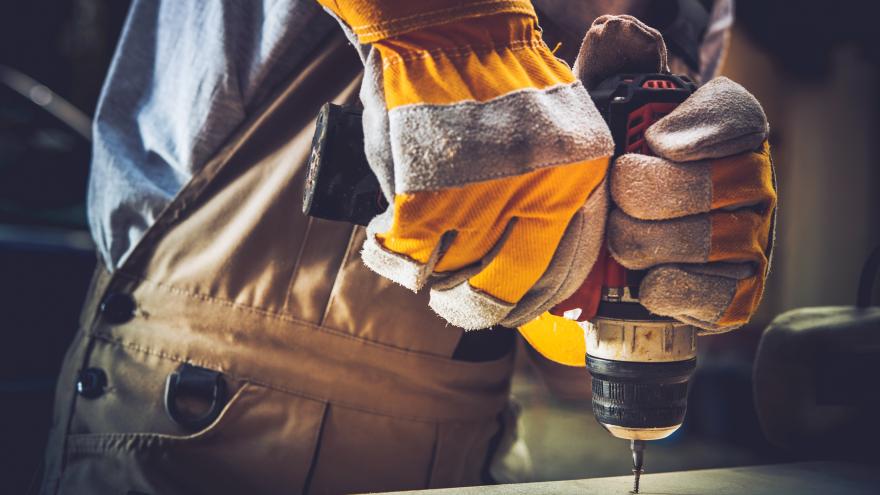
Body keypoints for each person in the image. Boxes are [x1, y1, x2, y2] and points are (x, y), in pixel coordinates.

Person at [40, 1, 775, 494]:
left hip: (461, 429)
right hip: (199, 402)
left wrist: (600, 285)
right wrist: (448, 24)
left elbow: (629, 167)